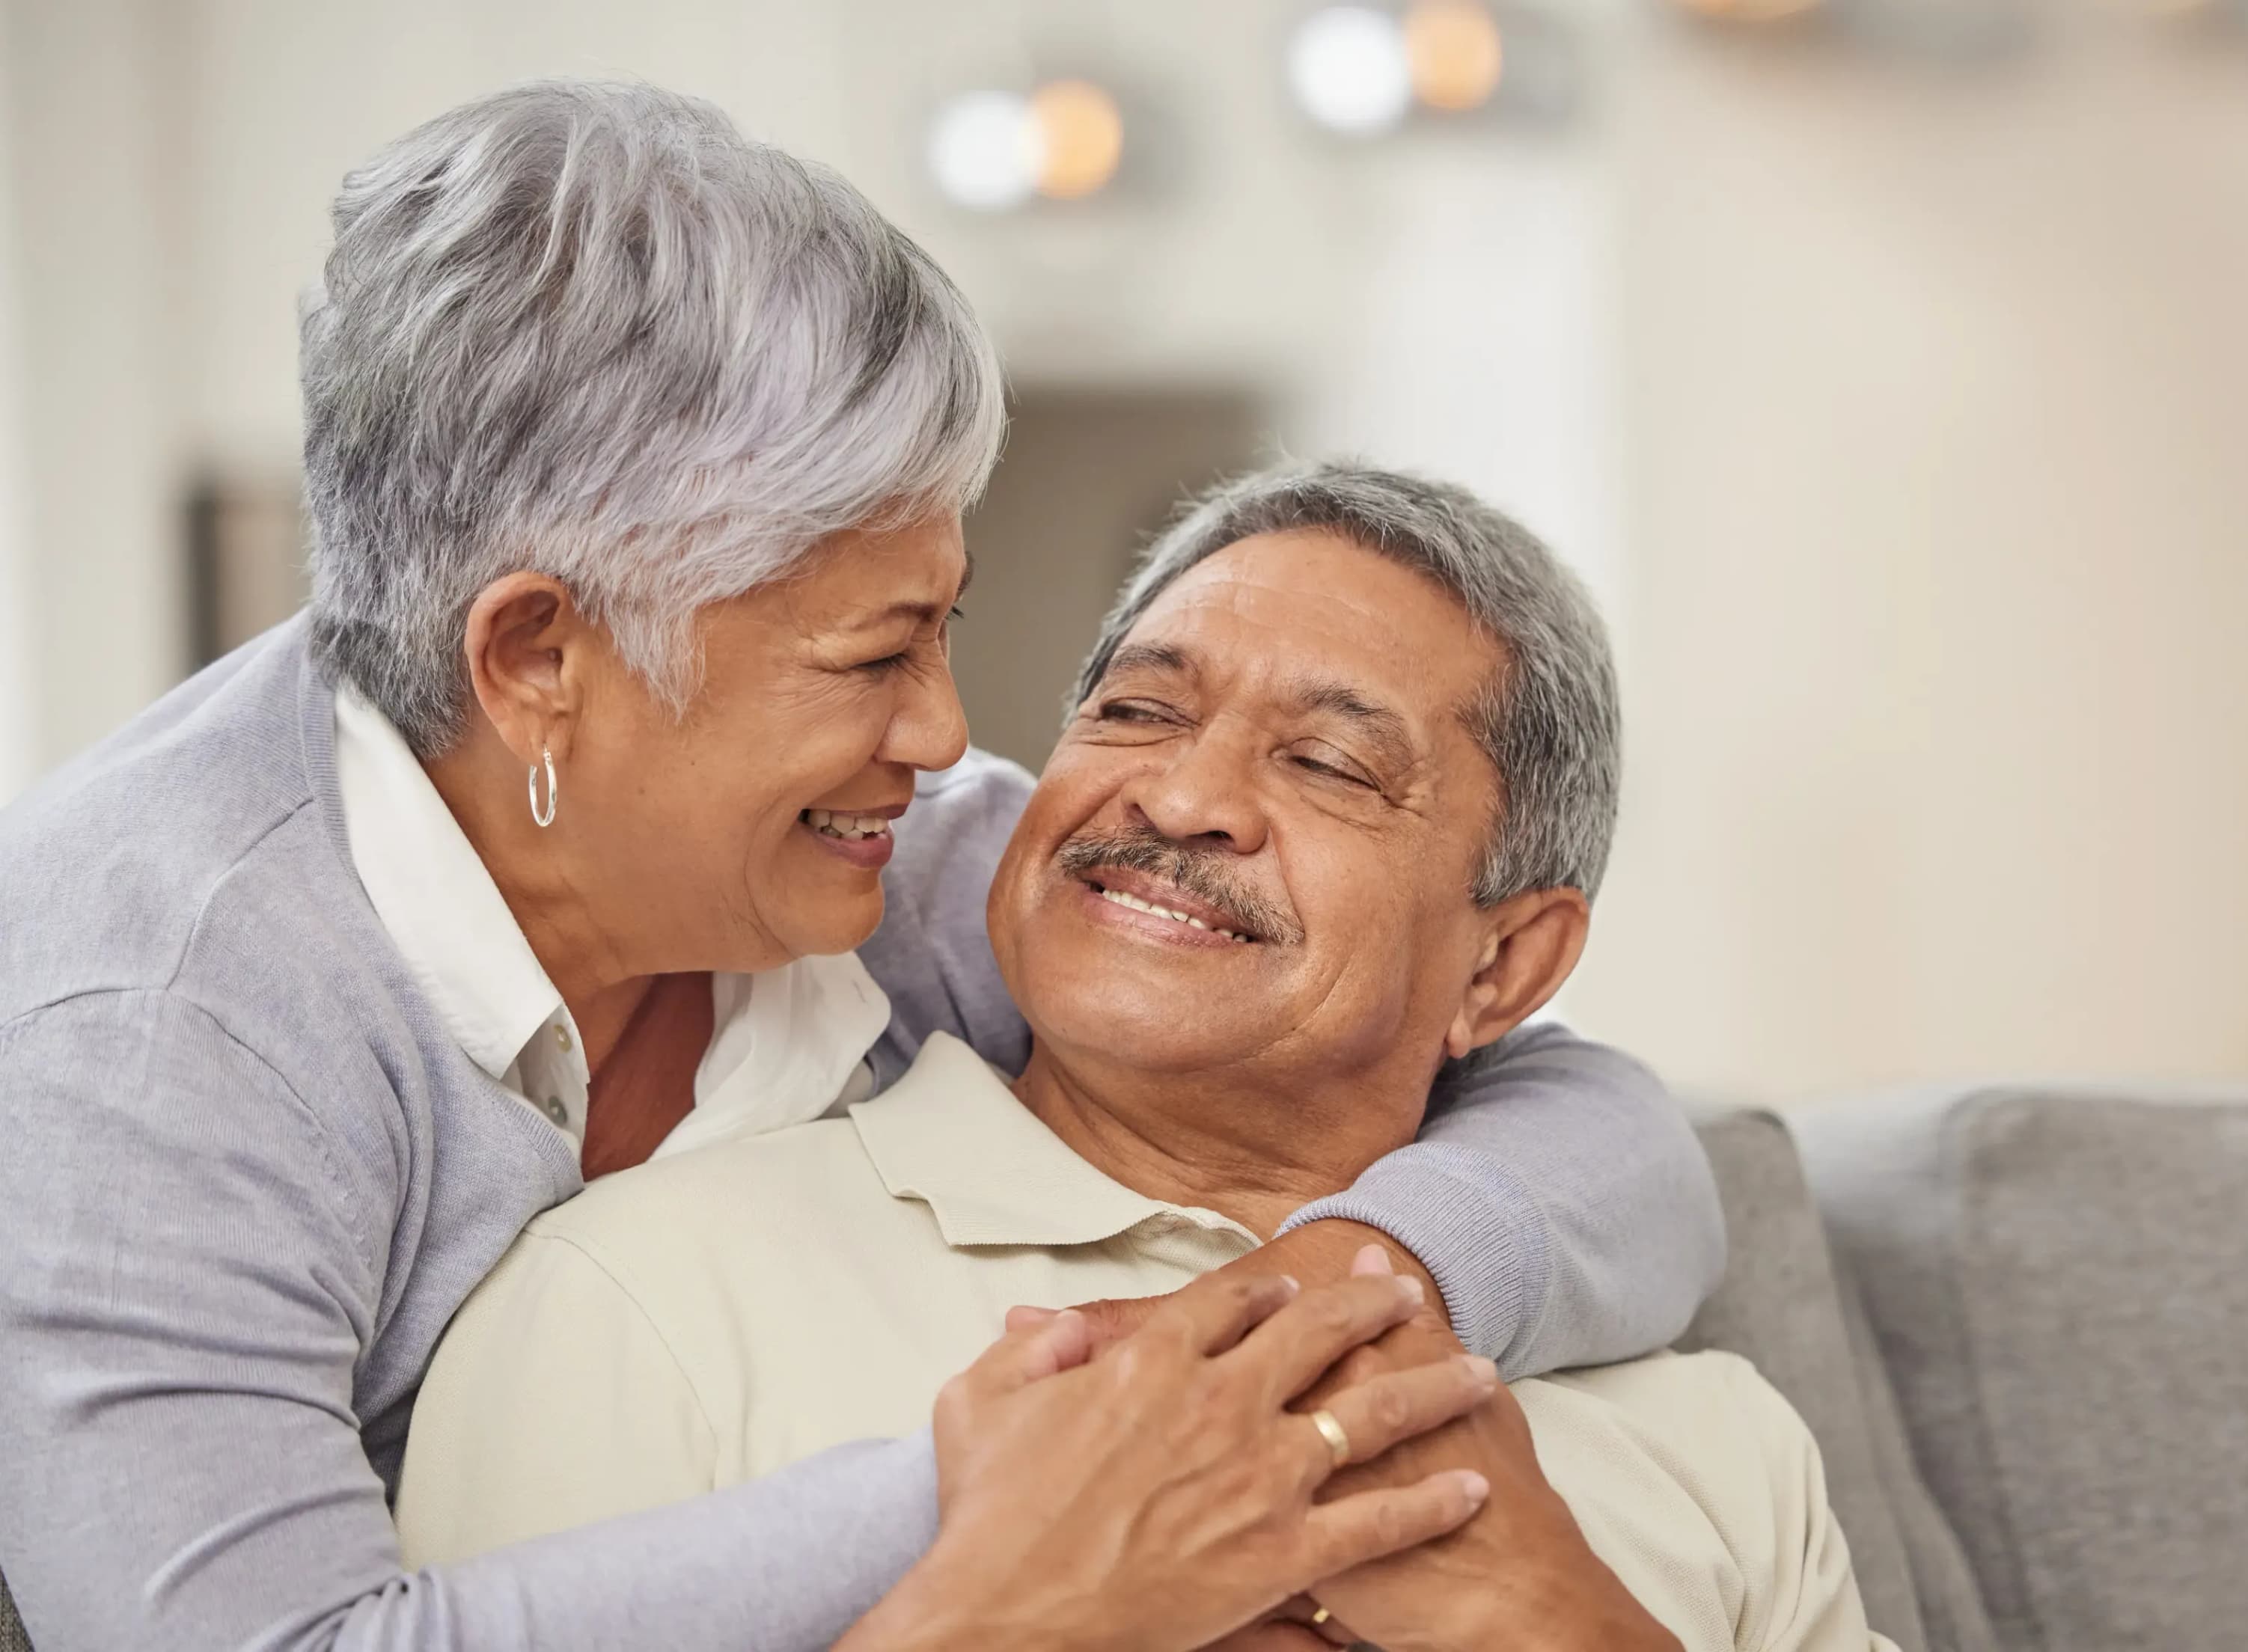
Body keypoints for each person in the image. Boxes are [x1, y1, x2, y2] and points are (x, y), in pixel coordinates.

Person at [0, 85, 1726, 1652]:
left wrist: (1332, 1308)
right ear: (536, 654)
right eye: (872, 655)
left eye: (945, 628)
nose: (943, 732)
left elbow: (1595, 1121)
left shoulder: (888, 869)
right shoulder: (141, 1034)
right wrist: (1068, 1483)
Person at [395, 464, 1889, 1652]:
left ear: (1504, 965)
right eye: (1135, 710)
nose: (1180, 795)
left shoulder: (1713, 1439)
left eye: (1326, 764)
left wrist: (1564, 1630)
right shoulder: (647, 1298)